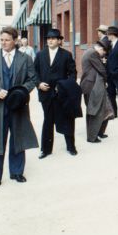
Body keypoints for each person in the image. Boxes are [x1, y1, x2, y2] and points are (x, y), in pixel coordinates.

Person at [0, 26, 39, 193]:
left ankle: (17, 172)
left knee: (18, 138)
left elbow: (33, 79)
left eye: (7, 40)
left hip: (18, 105)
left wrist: (21, 92)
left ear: (15, 40)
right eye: (2, 40)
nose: (4, 43)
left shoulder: (25, 59)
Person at [34, 28, 78, 158]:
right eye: (48, 38)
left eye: (53, 38)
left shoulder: (66, 55)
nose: (50, 40)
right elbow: (34, 72)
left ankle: (71, 147)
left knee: (67, 119)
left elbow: (73, 73)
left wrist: (65, 87)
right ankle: (46, 150)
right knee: (48, 121)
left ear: (59, 41)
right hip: (46, 94)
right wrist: (39, 84)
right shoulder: (40, 55)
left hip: (61, 94)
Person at [80, 40, 114, 142]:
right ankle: (92, 137)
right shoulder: (93, 53)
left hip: (92, 85)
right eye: (104, 53)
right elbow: (102, 70)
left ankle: (98, 132)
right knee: (94, 111)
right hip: (92, 85)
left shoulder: (89, 51)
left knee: (102, 109)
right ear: (101, 48)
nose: (104, 55)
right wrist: (104, 67)